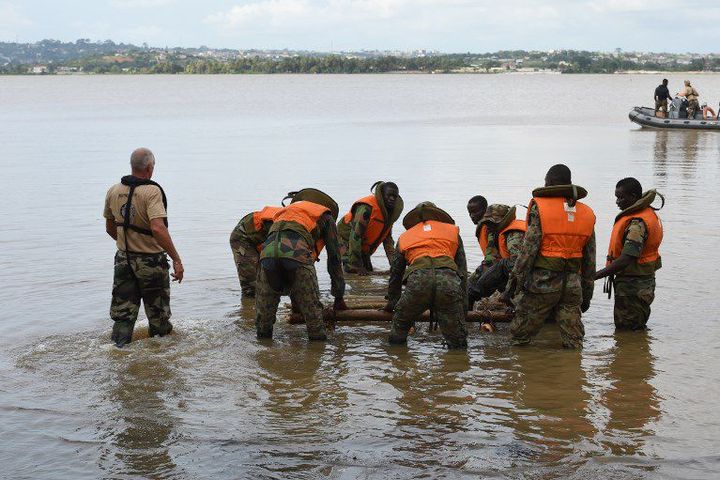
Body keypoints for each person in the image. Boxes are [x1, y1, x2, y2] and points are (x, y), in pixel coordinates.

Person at [502, 164, 596, 349]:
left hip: (543, 283)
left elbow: (528, 251)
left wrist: (511, 288)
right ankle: (574, 374)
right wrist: (587, 294)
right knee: (574, 341)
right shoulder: (586, 213)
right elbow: (590, 259)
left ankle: (527, 372)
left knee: (519, 337)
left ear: (551, 183)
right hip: (572, 285)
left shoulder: (542, 209)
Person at [103, 148, 184, 348]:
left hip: (123, 260)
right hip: (151, 262)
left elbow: (110, 228)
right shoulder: (152, 191)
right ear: (149, 168)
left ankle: (119, 351)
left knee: (123, 316)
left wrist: (127, 243)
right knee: (158, 317)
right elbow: (158, 228)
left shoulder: (113, 190)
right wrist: (176, 258)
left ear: (132, 166)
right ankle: (160, 359)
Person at [255, 188, 347, 341]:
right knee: (314, 320)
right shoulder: (325, 215)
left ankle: (264, 357)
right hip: (296, 255)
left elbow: (279, 245)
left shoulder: (287, 211)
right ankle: (315, 356)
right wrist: (339, 296)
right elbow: (334, 258)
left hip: (267, 255)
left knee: (264, 322)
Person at [384, 202, 468, 349]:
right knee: (457, 341)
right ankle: (457, 366)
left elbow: (396, 274)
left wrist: (393, 302)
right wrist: (464, 307)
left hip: (418, 282)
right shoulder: (452, 232)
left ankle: (398, 361)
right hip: (448, 282)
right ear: (438, 216)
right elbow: (462, 271)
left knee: (400, 326)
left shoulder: (405, 237)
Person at [595, 178, 663, 330]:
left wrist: (594, 276)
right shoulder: (647, 213)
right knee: (634, 333)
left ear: (633, 197)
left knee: (628, 331)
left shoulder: (637, 224)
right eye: (616, 197)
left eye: (621, 197)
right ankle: (634, 353)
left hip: (633, 287)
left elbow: (626, 259)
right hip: (641, 283)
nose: (617, 202)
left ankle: (632, 353)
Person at [337, 181, 403, 275]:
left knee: (368, 271)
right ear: (381, 195)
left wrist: (394, 265)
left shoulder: (389, 215)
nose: (392, 199)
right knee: (353, 271)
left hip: (361, 246)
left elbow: (388, 241)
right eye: (389, 195)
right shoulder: (366, 209)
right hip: (344, 240)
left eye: (394, 196)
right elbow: (355, 237)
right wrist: (357, 266)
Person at [468, 204, 526, 308]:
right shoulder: (498, 233)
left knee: (499, 268)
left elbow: (519, 267)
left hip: (530, 277)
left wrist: (508, 292)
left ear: (503, 221)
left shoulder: (514, 235)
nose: (488, 227)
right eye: (487, 223)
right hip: (518, 276)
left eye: (492, 223)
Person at [229, 206, 283, 298]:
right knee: (251, 285)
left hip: (263, 237)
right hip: (243, 237)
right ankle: (248, 308)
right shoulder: (283, 222)